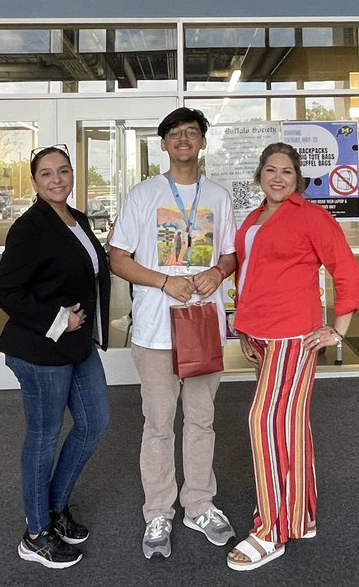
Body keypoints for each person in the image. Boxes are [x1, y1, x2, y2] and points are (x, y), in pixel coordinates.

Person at [226, 142, 359, 572]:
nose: (278, 178)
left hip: (293, 337)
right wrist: (244, 329)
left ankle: (271, 530)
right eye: (271, 170)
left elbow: (347, 274)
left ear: (298, 178)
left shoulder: (312, 217)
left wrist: (337, 331)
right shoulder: (253, 218)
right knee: (289, 427)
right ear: (259, 175)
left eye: (287, 171)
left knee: (264, 423)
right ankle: (299, 517)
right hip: (262, 336)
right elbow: (251, 275)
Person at [109, 107, 238, 560]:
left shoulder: (220, 196)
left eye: (192, 133)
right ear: (163, 143)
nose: (184, 139)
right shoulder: (144, 194)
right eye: (175, 133)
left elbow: (230, 254)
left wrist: (218, 273)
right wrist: (164, 281)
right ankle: (158, 510)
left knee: (202, 420)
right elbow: (117, 257)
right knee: (159, 425)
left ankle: (199, 503)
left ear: (203, 142)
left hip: (202, 325)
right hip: (155, 330)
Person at [0, 145, 112, 570]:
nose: (57, 179)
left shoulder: (76, 218)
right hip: (41, 349)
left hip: (77, 347)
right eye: (46, 174)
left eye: (63, 171)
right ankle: (36, 533)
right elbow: (3, 291)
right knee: (43, 439)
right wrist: (58, 319)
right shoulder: (30, 227)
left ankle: (56, 508)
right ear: (35, 182)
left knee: (94, 423)